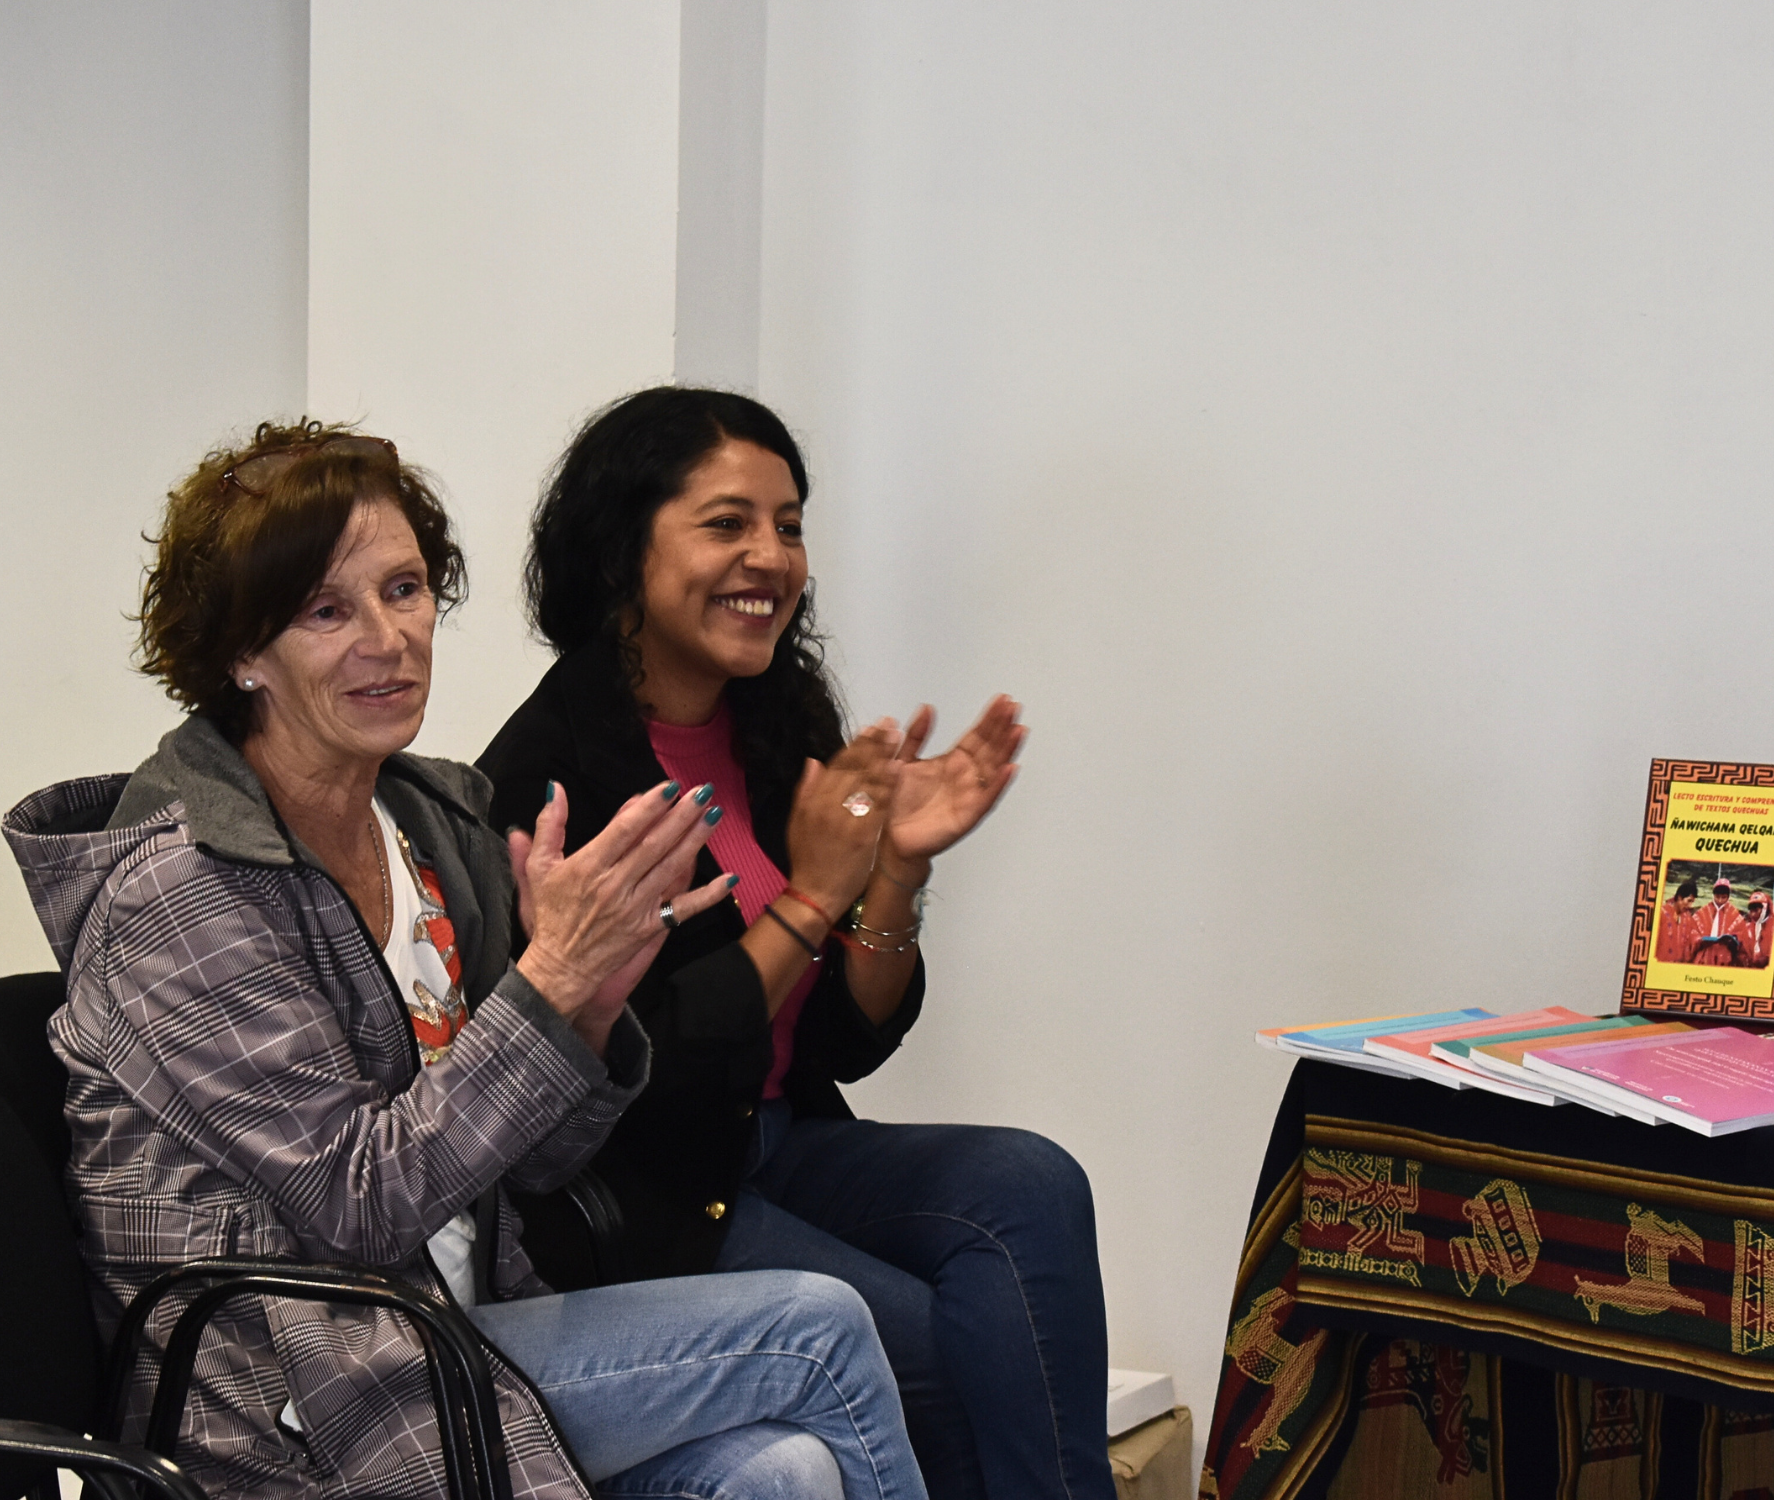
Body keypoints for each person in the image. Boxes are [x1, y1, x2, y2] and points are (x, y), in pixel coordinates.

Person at [1, 423, 927, 1500]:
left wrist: (590, 1008)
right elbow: (359, 1206)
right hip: (293, 1402)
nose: (388, 637)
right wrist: (548, 986)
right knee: (815, 1327)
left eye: (404, 590)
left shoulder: (430, 823)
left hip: (455, 1327)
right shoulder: (176, 890)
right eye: (325, 610)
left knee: (780, 1469)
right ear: (241, 653)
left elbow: (535, 1164)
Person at [477, 386, 1115, 1500]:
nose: (770, 558)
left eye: (788, 525)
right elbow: (643, 1078)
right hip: (645, 1190)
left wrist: (896, 871)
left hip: (779, 1140)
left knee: (1030, 1184)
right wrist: (812, 900)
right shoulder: (547, 775)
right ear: (624, 548)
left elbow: (841, 1043)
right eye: (727, 523)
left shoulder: (779, 723)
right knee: (934, 1341)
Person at [1691, 876, 1749, 966]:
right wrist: (1699, 940)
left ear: (1728, 897)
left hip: (1725, 959)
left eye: (1723, 897)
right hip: (1704, 957)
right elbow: (1692, 931)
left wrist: (1733, 940)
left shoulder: (1735, 915)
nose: (1720, 900)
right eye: (1717, 897)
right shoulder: (1702, 912)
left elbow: (1742, 937)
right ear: (1713, 895)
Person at [1655, 878, 1701, 964]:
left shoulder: (1687, 918)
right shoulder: (1661, 913)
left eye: (1692, 902)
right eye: (1689, 901)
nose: (1690, 905)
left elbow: (1694, 936)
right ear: (1679, 897)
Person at [1740, 888, 1774, 968]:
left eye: (1756, 908)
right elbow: (1742, 952)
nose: (1753, 912)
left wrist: (1768, 958)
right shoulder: (1747, 928)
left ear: (1765, 908)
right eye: (1751, 908)